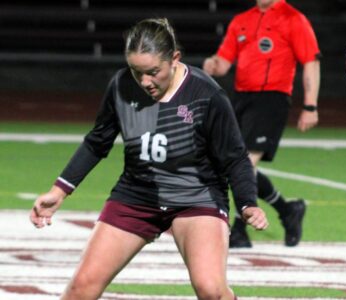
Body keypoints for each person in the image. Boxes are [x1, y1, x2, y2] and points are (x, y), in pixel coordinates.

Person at [29, 18, 268, 300]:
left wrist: (247, 202)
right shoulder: (120, 85)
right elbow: (97, 142)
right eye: (136, 71)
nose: (144, 82)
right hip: (135, 195)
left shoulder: (206, 94)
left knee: (211, 290)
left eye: (153, 72)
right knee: (81, 289)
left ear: (174, 58)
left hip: (196, 198)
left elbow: (236, 157)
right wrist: (60, 191)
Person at [202, 0, 321, 248]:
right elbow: (224, 63)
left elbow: (311, 61)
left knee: (245, 161)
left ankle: (238, 230)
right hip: (241, 98)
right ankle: (287, 209)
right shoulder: (241, 20)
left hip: (272, 97)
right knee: (234, 162)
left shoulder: (293, 18)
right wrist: (213, 64)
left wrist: (310, 105)